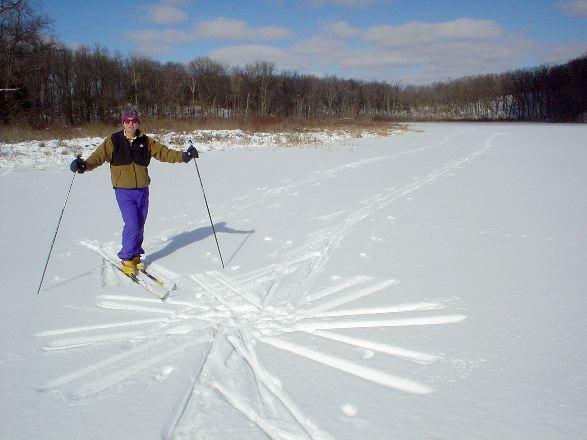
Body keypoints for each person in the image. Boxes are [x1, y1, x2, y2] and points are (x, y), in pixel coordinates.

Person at [69, 107, 199, 275]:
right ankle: (126, 257)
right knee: (132, 224)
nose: (131, 124)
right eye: (127, 121)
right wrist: (83, 165)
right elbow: (97, 157)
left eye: (134, 120)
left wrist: (184, 156)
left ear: (138, 122)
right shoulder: (113, 140)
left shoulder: (146, 141)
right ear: (123, 123)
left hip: (142, 190)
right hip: (123, 190)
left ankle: (136, 254)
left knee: (140, 223)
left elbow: (164, 153)